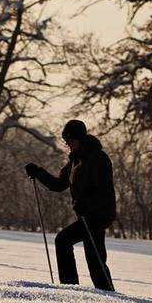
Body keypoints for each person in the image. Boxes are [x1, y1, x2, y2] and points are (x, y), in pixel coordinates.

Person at [25, 119, 116, 291]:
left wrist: (86, 205)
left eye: (71, 141)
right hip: (87, 214)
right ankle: (105, 292)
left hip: (99, 214)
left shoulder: (98, 158)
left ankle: (71, 288)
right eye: (66, 142)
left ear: (81, 139)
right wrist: (38, 172)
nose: (68, 145)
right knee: (94, 257)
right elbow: (58, 184)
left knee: (64, 241)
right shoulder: (74, 162)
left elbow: (104, 190)